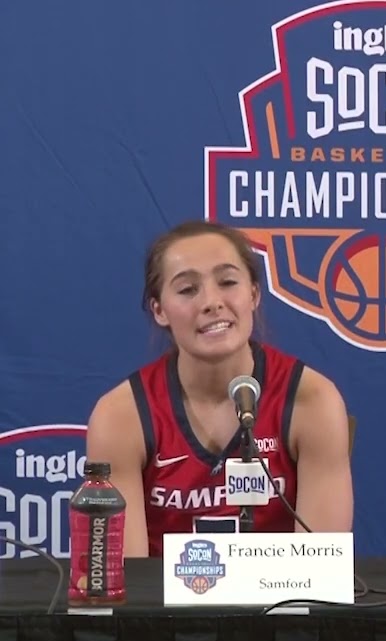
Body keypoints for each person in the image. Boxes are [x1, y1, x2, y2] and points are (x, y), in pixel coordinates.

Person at [85, 220, 354, 557]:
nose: (211, 302)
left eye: (227, 282)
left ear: (254, 294)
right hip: (160, 608)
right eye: (187, 290)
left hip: (283, 606)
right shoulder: (121, 416)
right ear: (159, 310)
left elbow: (321, 570)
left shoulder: (312, 401)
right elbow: (127, 583)